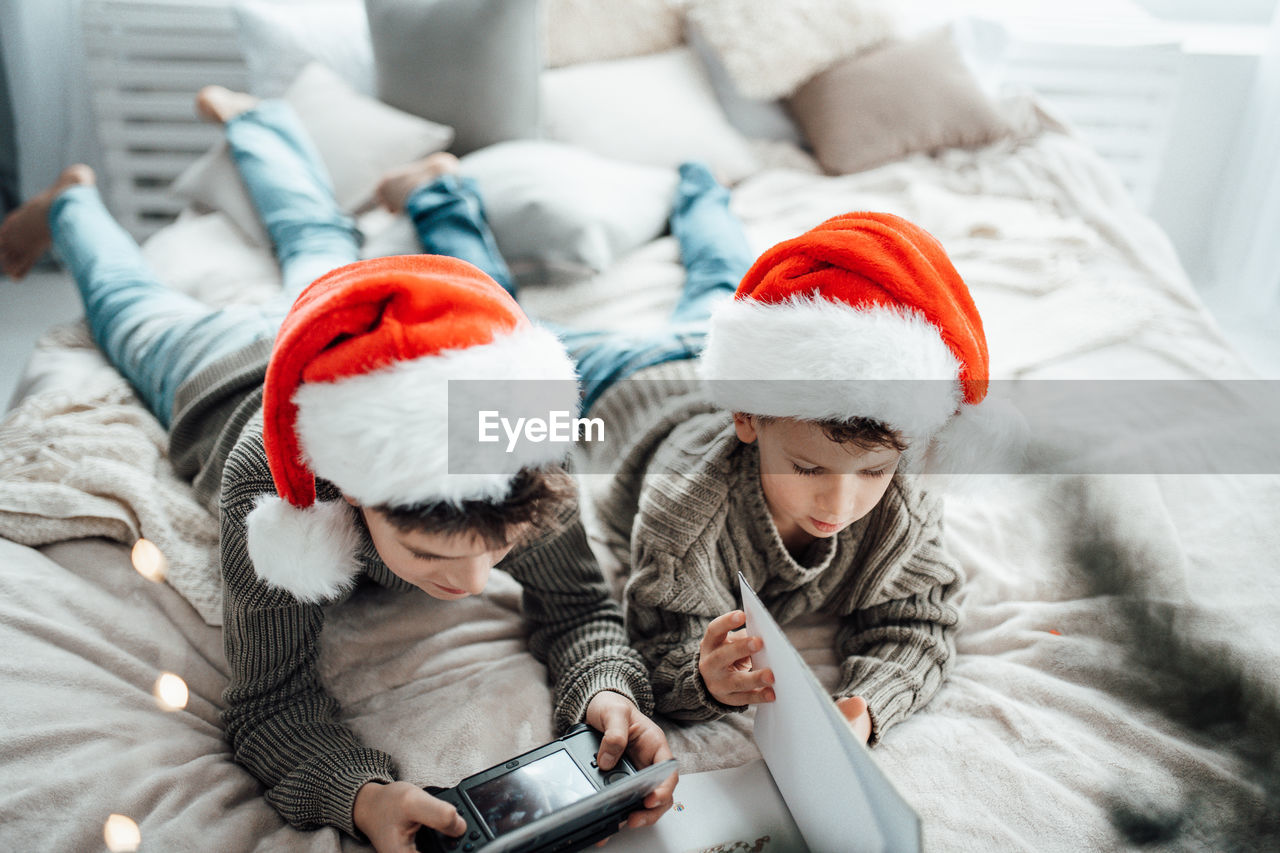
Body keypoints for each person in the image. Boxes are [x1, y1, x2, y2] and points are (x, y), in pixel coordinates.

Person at [0, 87, 676, 851]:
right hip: (216, 370)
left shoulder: (515, 450)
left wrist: (608, 688)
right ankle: (71, 201)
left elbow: (581, 605)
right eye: (430, 554)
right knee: (126, 302)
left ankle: (253, 120)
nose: (475, 581)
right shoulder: (274, 496)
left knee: (321, 237)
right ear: (350, 497)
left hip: (343, 337)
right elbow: (269, 704)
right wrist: (360, 794)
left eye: (499, 547)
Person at [562, 195, 1005, 746]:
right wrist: (702, 680)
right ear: (746, 419)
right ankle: (447, 196)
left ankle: (701, 191)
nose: (837, 505)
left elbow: (921, 624)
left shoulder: (902, 504)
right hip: (623, 379)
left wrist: (864, 707)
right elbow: (657, 649)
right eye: (807, 468)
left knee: (720, 273)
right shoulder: (688, 515)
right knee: (506, 330)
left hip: (713, 349)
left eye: (871, 473)